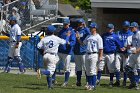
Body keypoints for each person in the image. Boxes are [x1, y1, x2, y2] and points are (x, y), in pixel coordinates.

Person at [37, 25, 71, 89]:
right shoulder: (56, 38)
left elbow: (38, 46)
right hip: (52, 56)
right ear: (53, 31)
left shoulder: (44, 38)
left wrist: (42, 52)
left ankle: (50, 86)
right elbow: (65, 42)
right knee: (50, 72)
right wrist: (68, 36)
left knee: (48, 71)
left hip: (45, 55)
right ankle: (41, 72)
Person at [77, 22, 103, 90]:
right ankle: (89, 84)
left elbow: (101, 48)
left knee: (92, 71)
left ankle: (93, 86)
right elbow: (82, 44)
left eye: (92, 27)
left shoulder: (98, 37)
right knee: (88, 71)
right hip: (87, 54)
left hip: (94, 54)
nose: (90, 28)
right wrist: (78, 38)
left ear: (95, 28)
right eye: (90, 27)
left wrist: (100, 56)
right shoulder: (88, 36)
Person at [57, 19, 76, 87]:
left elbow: (73, 42)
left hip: (67, 52)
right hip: (60, 51)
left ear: (69, 24)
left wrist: (69, 43)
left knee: (66, 68)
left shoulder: (71, 31)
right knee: (54, 64)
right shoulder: (61, 31)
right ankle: (52, 80)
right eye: (64, 24)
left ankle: (66, 82)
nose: (65, 25)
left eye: (66, 24)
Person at [115, 21, 133, 86]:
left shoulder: (131, 33)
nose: (126, 27)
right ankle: (117, 81)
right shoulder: (118, 32)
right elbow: (116, 41)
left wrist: (126, 49)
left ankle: (124, 81)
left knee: (125, 67)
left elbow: (132, 43)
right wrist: (120, 47)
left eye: (127, 26)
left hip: (126, 53)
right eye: (125, 26)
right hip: (119, 51)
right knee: (117, 67)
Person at [74, 18, 91, 86]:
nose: (80, 25)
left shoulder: (85, 30)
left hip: (83, 51)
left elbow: (89, 34)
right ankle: (78, 81)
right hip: (77, 51)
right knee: (78, 68)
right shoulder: (76, 30)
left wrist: (85, 26)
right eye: (79, 23)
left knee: (85, 67)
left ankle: (87, 82)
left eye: (81, 23)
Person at [125, 22, 140, 90]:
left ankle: (137, 84)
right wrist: (129, 48)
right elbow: (133, 45)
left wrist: (137, 51)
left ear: (136, 27)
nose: (131, 28)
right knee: (127, 67)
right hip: (133, 54)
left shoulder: (139, 34)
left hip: (138, 54)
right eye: (130, 27)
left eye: (132, 27)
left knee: (139, 70)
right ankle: (133, 82)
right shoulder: (133, 35)